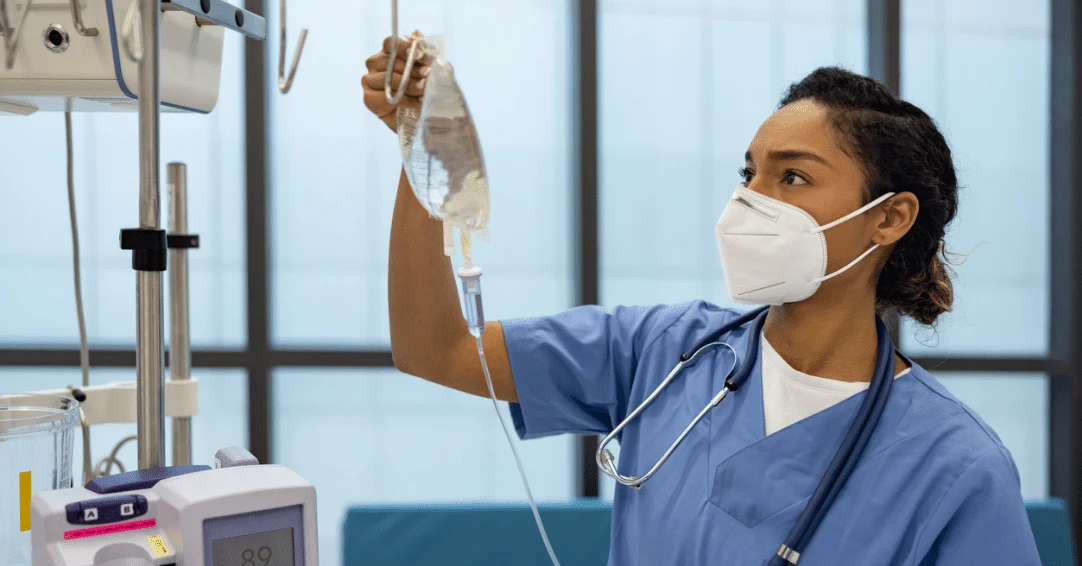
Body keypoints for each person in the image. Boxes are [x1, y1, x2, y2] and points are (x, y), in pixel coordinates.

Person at [362, 37, 1041, 565]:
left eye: (793, 176)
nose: (751, 198)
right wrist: (420, 142)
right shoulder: (663, 351)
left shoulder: (954, 466)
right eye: (750, 172)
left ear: (888, 219)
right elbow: (436, 349)